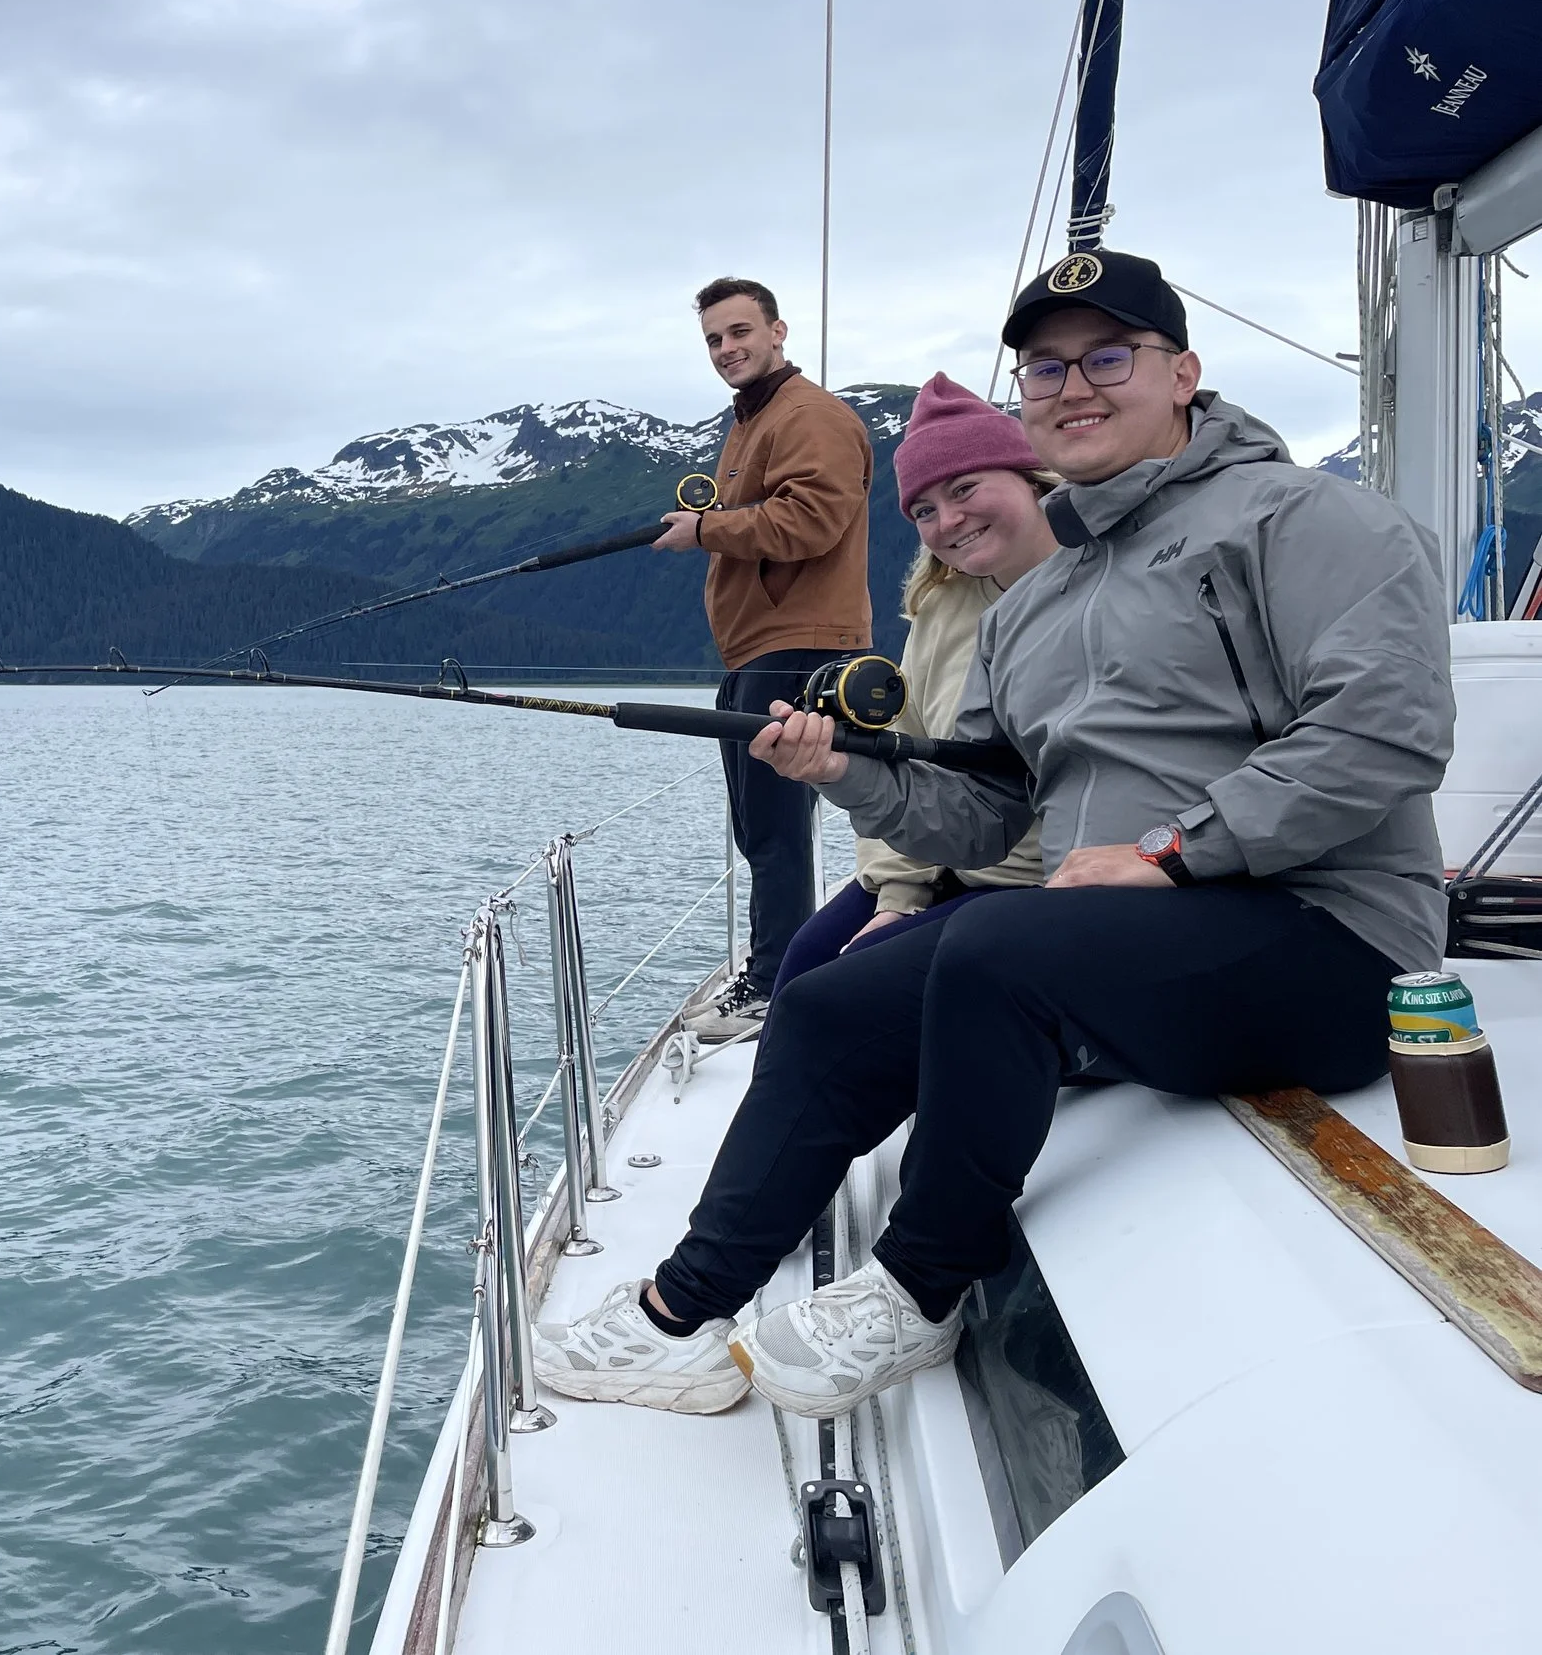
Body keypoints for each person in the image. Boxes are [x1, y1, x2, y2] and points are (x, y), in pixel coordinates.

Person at [540, 248, 1451, 1420]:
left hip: (1329, 941)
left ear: (1183, 372)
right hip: (1116, 948)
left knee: (998, 947)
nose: (1071, 387)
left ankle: (920, 1289)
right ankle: (682, 1309)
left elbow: (1384, 733)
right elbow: (987, 806)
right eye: (1044, 369)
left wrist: (1173, 849)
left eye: (1106, 356)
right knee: (826, 1005)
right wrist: (850, 777)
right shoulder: (1040, 600)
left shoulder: (1308, 518)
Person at [767, 373, 1055, 999]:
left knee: (844, 997)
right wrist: (899, 894)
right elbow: (904, 748)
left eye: (965, 487)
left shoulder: (1100, 586)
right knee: (803, 966)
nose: (949, 519)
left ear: (1031, 477)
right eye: (923, 509)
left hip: (1038, 887)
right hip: (941, 862)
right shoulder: (941, 608)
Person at [653, 277, 874, 1021]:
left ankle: (776, 982)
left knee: (776, 831)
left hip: (799, 646)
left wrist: (707, 530)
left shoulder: (811, 415)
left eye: (740, 332)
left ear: (779, 331)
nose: (726, 349)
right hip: (756, 650)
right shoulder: (751, 421)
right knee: (761, 829)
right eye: (714, 339)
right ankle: (778, 966)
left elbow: (811, 520)